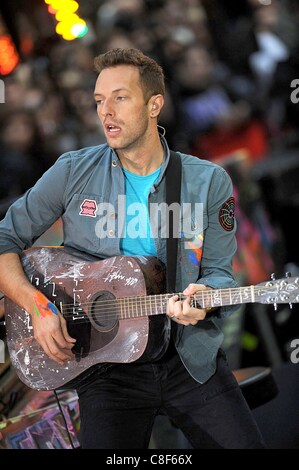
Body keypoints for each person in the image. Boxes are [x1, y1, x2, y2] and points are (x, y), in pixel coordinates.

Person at [0, 48, 266, 449]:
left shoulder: (206, 182)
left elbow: (217, 274)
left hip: (187, 359)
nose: (106, 111)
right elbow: (4, 239)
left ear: (154, 104)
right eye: (98, 101)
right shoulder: (72, 170)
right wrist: (37, 306)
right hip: (105, 369)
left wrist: (204, 297)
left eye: (120, 98)